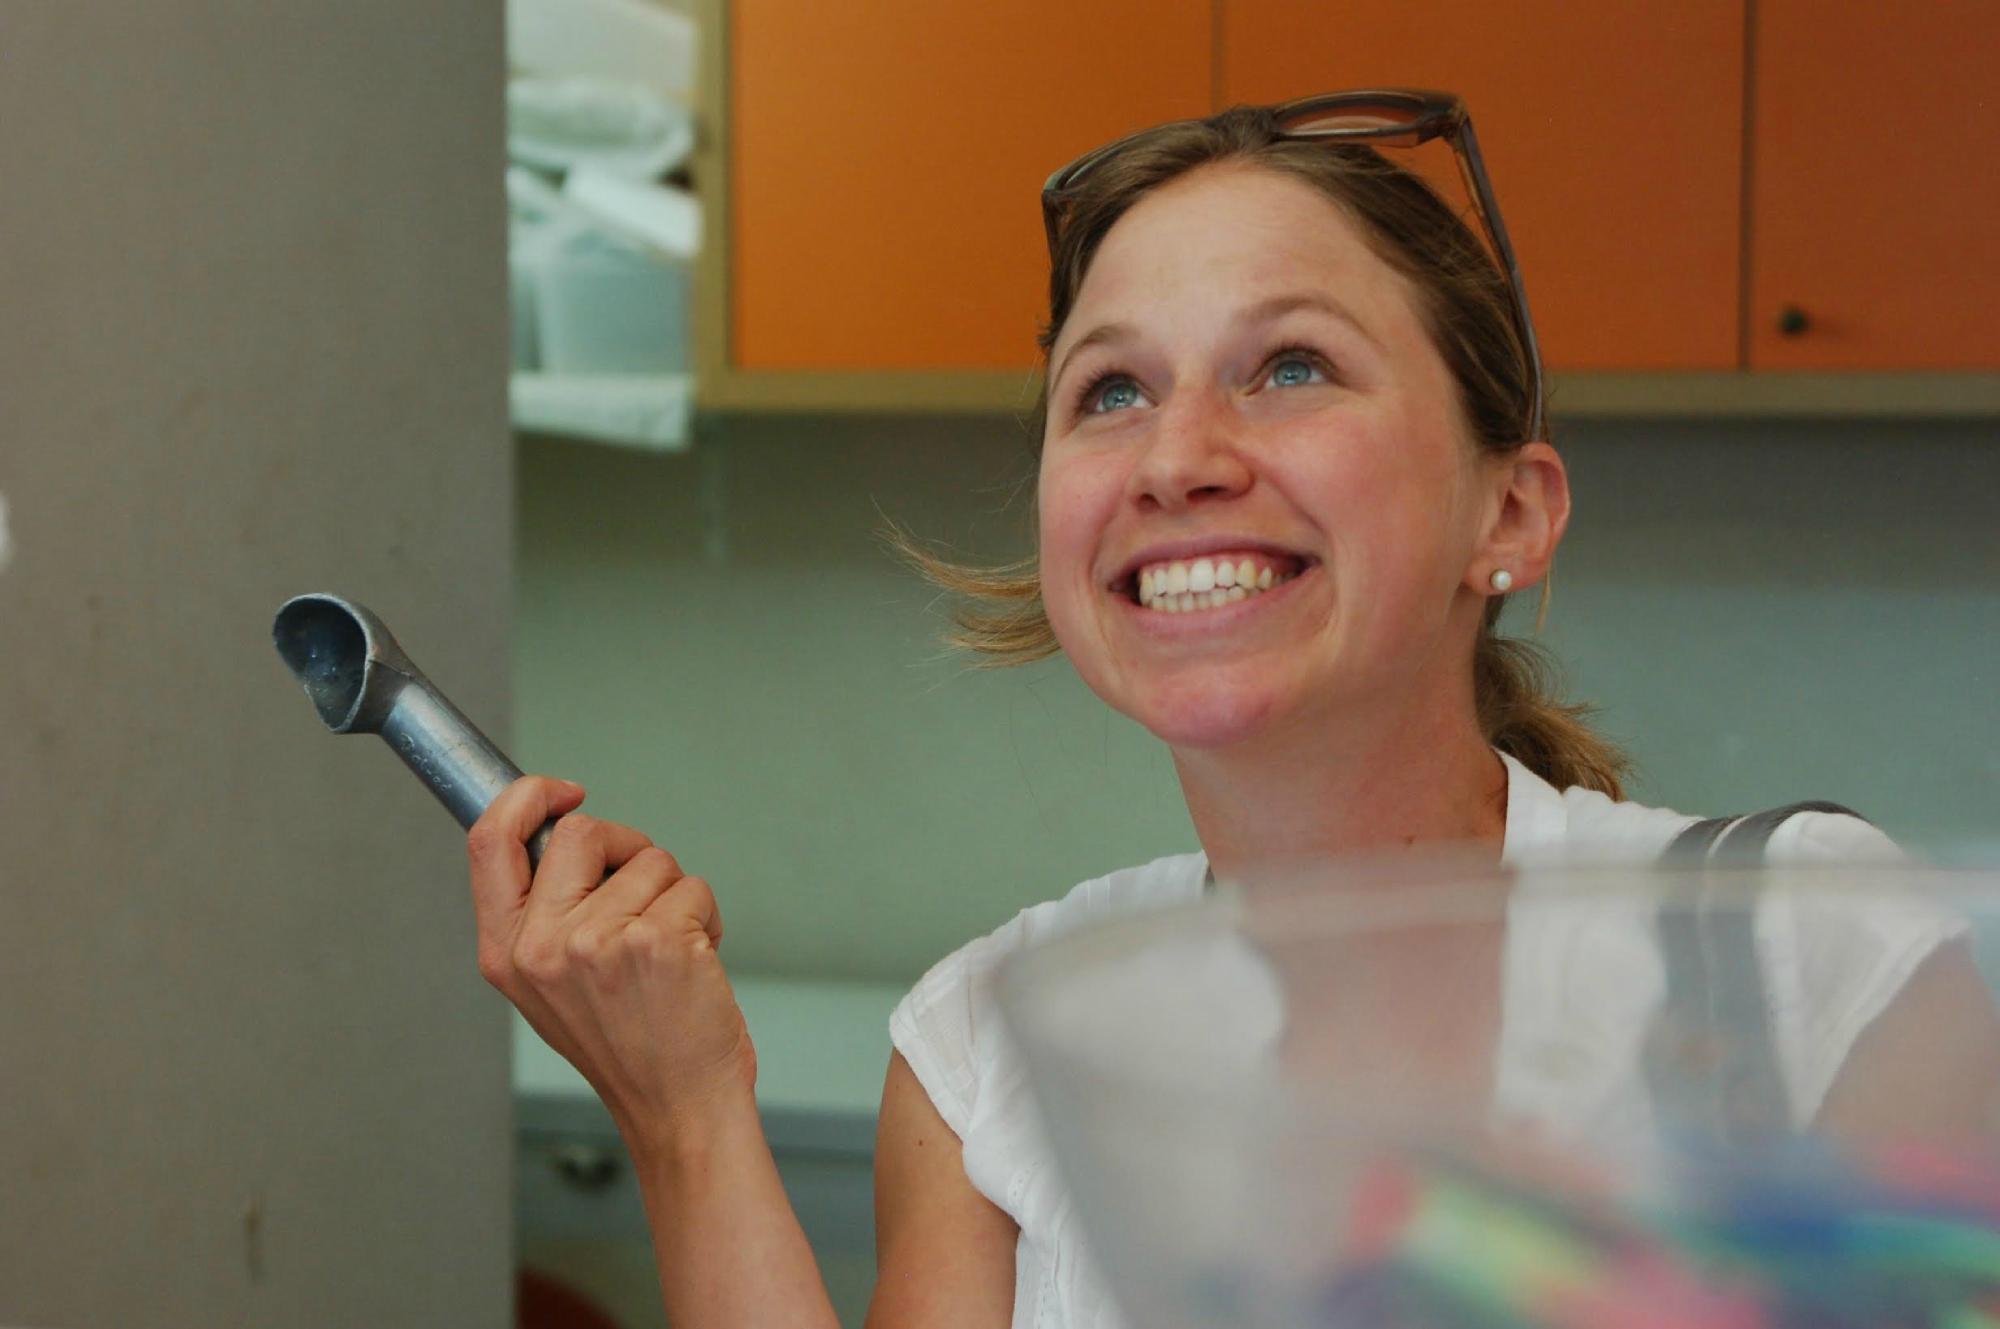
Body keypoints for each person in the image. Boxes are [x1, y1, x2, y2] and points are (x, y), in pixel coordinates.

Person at [467, 93, 2000, 1329]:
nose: (1176, 455)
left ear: (1511, 513)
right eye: (1110, 390)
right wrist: (687, 1114)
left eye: (1290, 365)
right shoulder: (992, 1047)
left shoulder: (1811, 955)